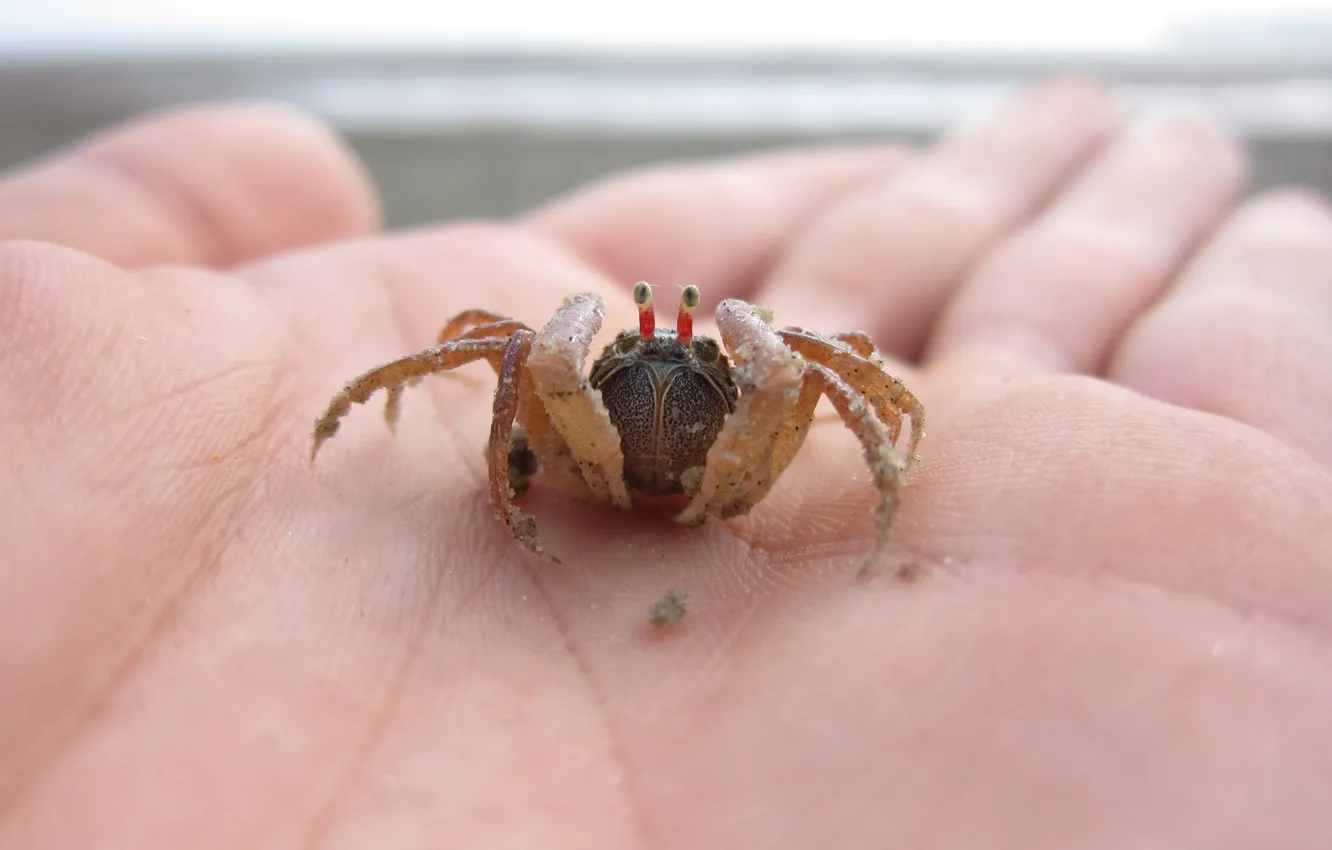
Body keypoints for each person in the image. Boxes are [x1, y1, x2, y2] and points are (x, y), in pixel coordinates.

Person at [0, 78, 1328, 847]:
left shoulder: (762, 374)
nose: (666, 369)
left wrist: (883, 450)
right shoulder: (569, 368)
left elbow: (838, 368)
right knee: (512, 341)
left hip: (730, 476)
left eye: (686, 353)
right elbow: (489, 351)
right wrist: (476, 455)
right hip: (576, 461)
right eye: (654, 349)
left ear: (710, 355)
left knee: (809, 343)